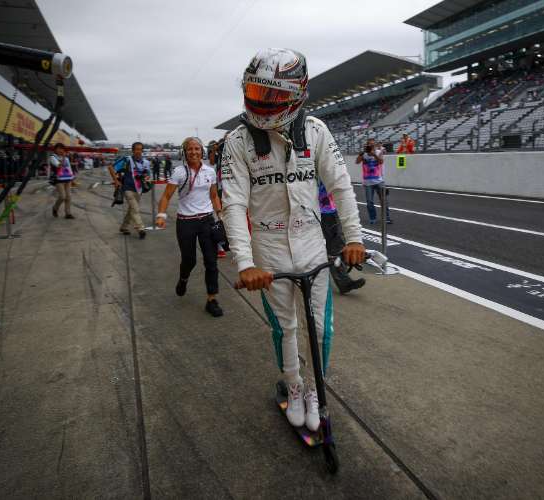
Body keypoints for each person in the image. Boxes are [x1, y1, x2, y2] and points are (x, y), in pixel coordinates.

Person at [220, 48, 365, 432]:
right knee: (285, 328)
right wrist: (245, 263)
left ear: (298, 93)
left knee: (321, 328)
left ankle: (317, 389)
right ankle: (295, 385)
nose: (263, 102)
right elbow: (233, 204)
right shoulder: (236, 141)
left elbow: (341, 186)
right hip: (267, 248)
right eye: (257, 91)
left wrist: (354, 237)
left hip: (312, 241)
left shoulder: (316, 130)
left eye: (274, 95)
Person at [156, 137, 224, 317]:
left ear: (202, 151)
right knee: (189, 260)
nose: (194, 152)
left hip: (207, 221)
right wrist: (161, 215)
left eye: (197, 148)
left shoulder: (210, 171)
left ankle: (212, 299)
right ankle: (183, 279)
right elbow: (166, 196)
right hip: (185, 222)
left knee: (211, 261)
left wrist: (221, 215)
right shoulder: (179, 172)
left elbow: (214, 196)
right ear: (184, 153)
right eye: (190, 149)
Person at [318, 181, 365, 294]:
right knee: (336, 248)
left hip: (327, 209)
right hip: (325, 210)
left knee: (335, 246)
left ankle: (343, 281)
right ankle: (343, 282)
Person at [108, 142, 151, 239]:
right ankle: (141, 229)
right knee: (135, 209)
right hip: (127, 188)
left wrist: (146, 178)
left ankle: (124, 227)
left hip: (139, 189)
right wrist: (116, 181)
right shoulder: (126, 160)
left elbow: (148, 176)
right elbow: (110, 167)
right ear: (133, 150)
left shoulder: (145, 163)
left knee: (131, 209)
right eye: (136, 149)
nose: (138, 151)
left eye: (140, 149)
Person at [355, 138, 392, 225]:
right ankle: (372, 217)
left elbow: (381, 162)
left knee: (383, 200)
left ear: (375, 145)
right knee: (369, 202)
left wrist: (374, 155)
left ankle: (386, 217)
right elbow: (357, 162)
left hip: (379, 181)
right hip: (368, 182)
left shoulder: (379, 152)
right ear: (367, 145)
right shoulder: (364, 154)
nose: (371, 146)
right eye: (369, 145)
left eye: (372, 145)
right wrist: (361, 153)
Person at [49, 143, 75, 219]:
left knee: (69, 196)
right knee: (62, 196)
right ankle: (55, 208)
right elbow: (59, 165)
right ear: (55, 149)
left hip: (67, 178)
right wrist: (63, 157)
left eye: (62, 148)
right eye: (59, 148)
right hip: (58, 179)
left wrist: (72, 177)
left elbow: (69, 168)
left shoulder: (66, 158)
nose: (60, 150)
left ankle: (68, 213)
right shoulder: (52, 157)